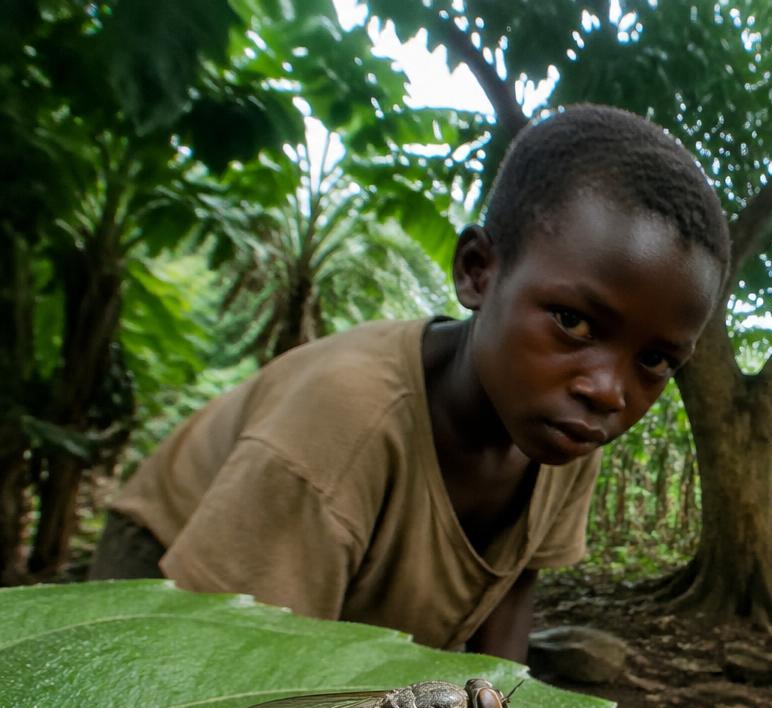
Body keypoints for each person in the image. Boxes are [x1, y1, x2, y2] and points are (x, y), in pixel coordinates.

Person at [89, 105, 729, 661]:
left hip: (318, 617)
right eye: (572, 321)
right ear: (477, 272)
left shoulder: (564, 429)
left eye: (655, 360)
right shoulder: (343, 423)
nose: (609, 391)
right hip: (174, 580)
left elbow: (511, 599)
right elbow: (233, 673)